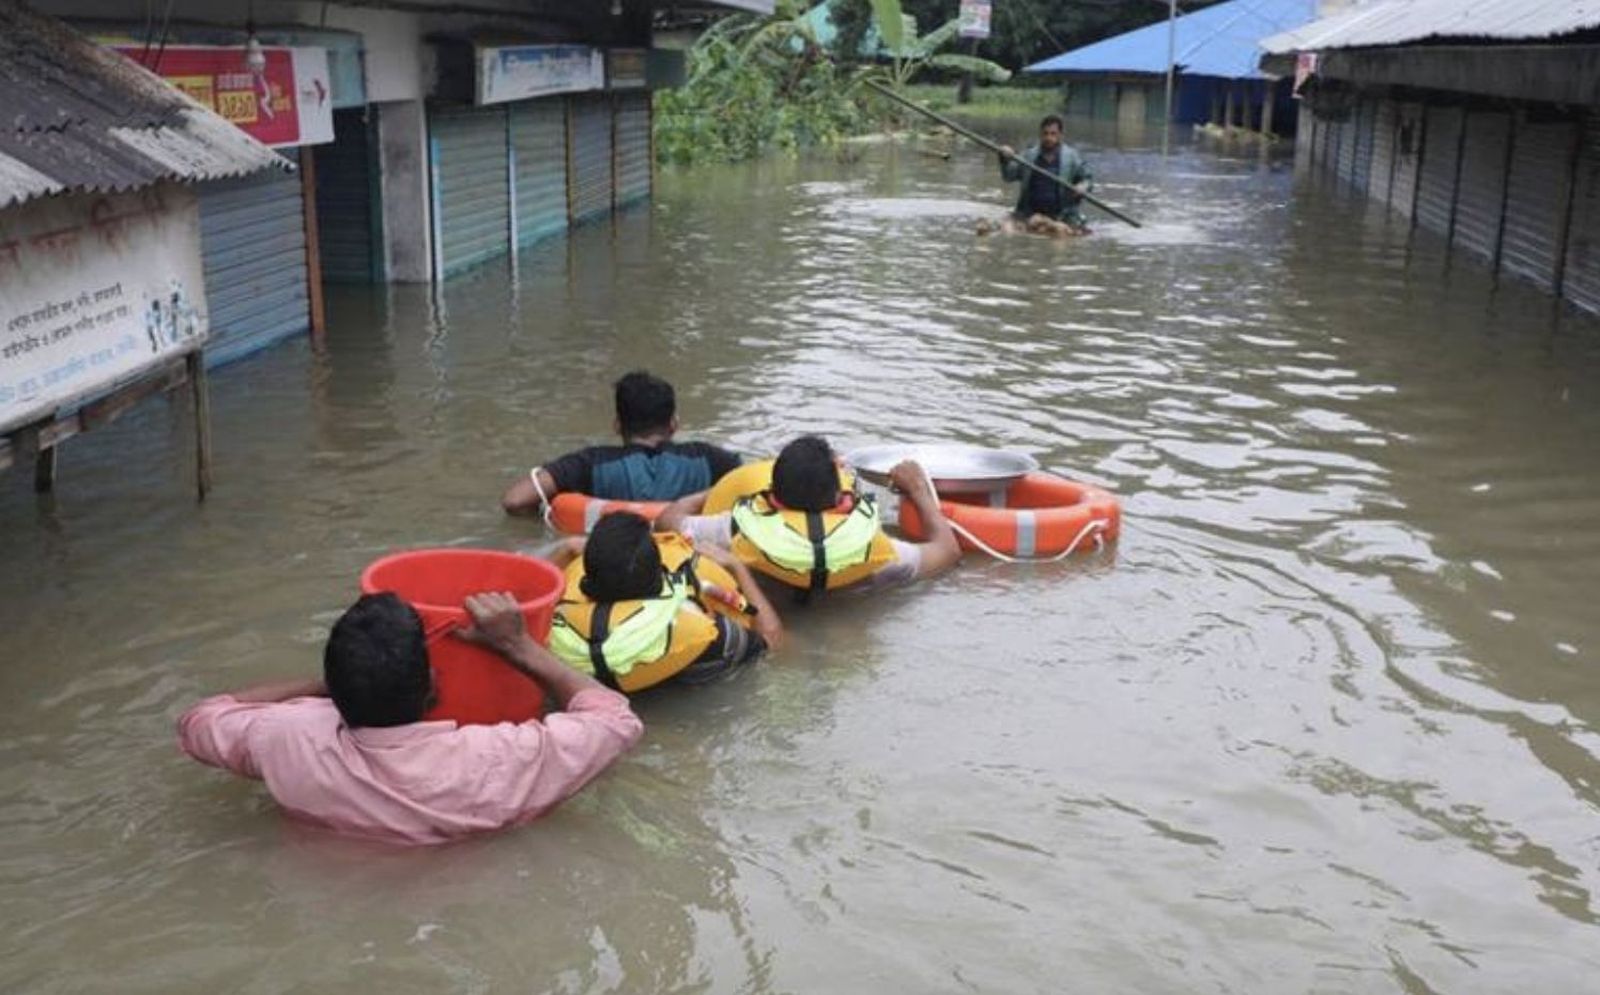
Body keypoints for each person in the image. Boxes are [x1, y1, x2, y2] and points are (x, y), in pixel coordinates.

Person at [176, 591, 642, 845]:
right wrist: (517, 646)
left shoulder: (284, 737)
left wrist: (326, 686)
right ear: (432, 688)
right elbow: (616, 720)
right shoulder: (491, 759)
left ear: (334, 690)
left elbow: (201, 719)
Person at [657, 435, 962, 596]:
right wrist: (918, 491)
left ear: (771, 497)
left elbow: (667, 520)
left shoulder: (733, 531)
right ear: (840, 499)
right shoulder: (878, 552)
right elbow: (948, 551)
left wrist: (724, 489)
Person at [544, 511, 784, 691]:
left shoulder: (555, 625)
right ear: (661, 573)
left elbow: (533, 593)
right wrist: (737, 567)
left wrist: (566, 549)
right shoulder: (708, 633)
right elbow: (774, 642)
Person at [502, 371, 741, 514]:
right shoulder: (708, 459)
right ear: (673, 424)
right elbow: (755, 487)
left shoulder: (590, 463)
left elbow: (515, 500)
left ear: (617, 425)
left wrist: (558, 514)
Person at [998, 114, 1094, 233]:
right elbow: (1008, 176)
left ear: (1060, 135)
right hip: (1029, 214)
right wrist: (1004, 159)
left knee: (1061, 233)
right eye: (1045, 133)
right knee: (1005, 229)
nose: (1049, 138)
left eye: (1053, 134)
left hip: (1061, 216)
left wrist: (1082, 186)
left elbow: (1087, 179)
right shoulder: (1029, 155)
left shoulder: (1072, 157)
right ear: (1040, 134)